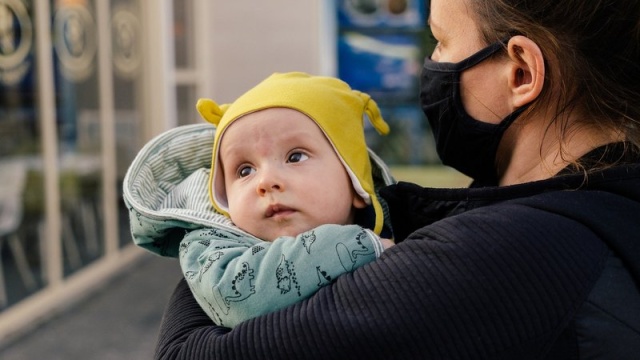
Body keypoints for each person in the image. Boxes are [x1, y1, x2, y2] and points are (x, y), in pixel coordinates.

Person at [151, 0, 640, 358]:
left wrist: (214, 236)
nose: (433, 65)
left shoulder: (510, 253)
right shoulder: (600, 202)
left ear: (519, 73)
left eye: (442, 41)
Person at [124, 72, 394, 328]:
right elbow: (236, 296)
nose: (266, 182)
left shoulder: (406, 227)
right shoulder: (209, 246)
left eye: (295, 157)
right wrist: (359, 245)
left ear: (356, 184)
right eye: (245, 170)